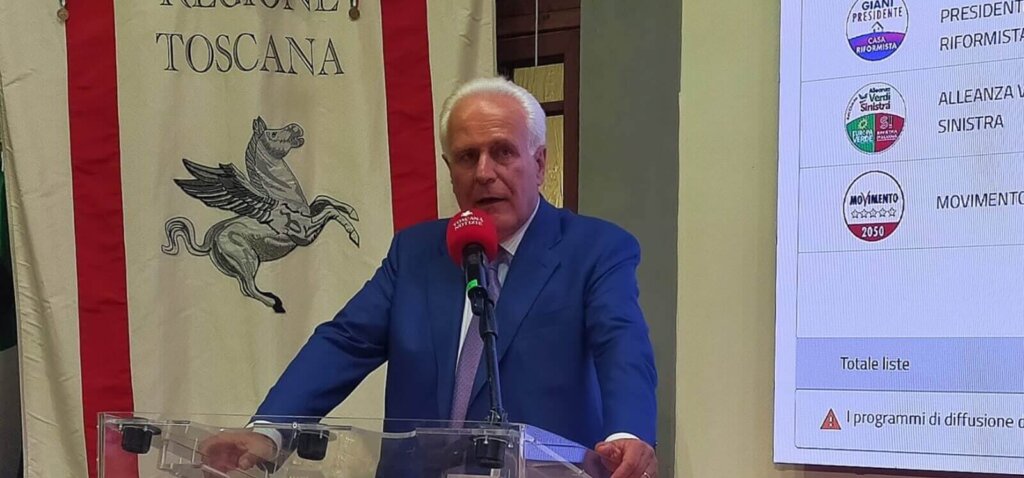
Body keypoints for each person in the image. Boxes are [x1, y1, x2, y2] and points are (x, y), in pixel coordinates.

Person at [200, 77, 659, 478]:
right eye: (467, 157)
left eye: (502, 152)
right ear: (450, 171)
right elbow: (345, 342)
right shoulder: (417, 252)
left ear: (539, 163)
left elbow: (621, 344)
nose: (484, 173)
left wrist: (628, 433)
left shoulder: (595, 250)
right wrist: (271, 429)